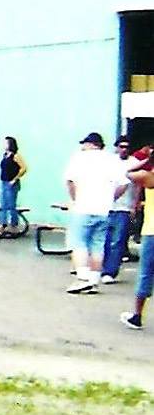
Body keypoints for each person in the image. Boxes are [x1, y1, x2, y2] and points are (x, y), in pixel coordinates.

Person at [63, 132, 129, 295]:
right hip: (103, 209)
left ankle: (82, 279)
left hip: (83, 208)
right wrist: (111, 198)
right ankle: (93, 280)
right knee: (97, 246)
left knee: (79, 244)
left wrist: (76, 199)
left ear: (90, 144)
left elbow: (70, 181)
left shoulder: (79, 158)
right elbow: (124, 184)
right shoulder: (112, 159)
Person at [121, 151, 154, 329]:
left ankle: (137, 316)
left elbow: (128, 173)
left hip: (152, 232)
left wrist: (147, 161)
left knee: (146, 273)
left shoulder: (149, 177)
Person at [100, 137, 140, 284]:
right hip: (107, 206)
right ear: (116, 147)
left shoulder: (134, 163)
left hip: (124, 207)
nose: (124, 149)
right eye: (121, 146)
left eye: (126, 147)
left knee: (118, 241)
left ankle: (110, 271)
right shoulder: (109, 162)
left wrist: (134, 205)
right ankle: (102, 267)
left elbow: (138, 185)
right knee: (104, 239)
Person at [0, 136, 28, 236]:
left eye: (6, 143)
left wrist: (15, 179)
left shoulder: (16, 156)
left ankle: (14, 225)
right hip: (4, 182)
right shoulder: (5, 155)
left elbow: (24, 168)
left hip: (11, 183)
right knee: (3, 204)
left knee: (11, 205)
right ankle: (2, 224)